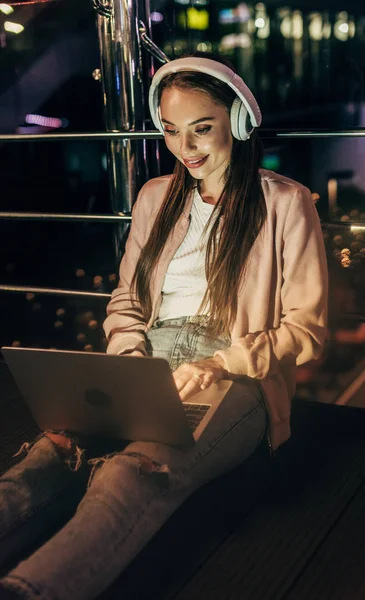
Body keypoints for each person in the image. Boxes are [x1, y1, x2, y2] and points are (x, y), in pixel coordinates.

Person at [0, 53, 328, 599]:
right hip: (147, 363)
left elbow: (307, 329)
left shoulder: (286, 203)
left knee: (133, 473)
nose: (187, 148)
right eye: (173, 132)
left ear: (240, 122)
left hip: (231, 373)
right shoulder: (155, 197)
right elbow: (126, 301)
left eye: (202, 129)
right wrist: (129, 363)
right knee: (51, 453)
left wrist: (217, 362)